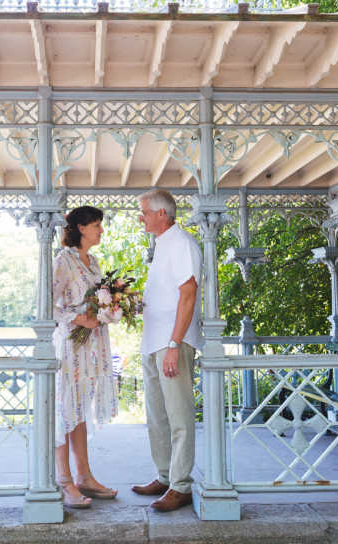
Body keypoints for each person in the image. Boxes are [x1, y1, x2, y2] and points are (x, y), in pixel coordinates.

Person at [132, 189, 202, 512]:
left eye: (144, 212)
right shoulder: (160, 246)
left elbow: (188, 295)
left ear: (162, 213)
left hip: (172, 344)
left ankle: (181, 485)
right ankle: (163, 476)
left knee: (179, 416)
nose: (141, 217)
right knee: (156, 416)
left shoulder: (182, 244)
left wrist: (174, 343)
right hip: (152, 342)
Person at [52, 205, 119, 509]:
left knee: (79, 409)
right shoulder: (62, 261)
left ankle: (85, 477)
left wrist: (109, 311)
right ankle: (64, 481)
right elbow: (47, 306)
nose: (100, 230)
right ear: (80, 228)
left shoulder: (93, 262)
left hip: (92, 347)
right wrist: (79, 320)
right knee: (66, 409)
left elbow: (97, 300)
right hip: (70, 344)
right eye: (96, 225)